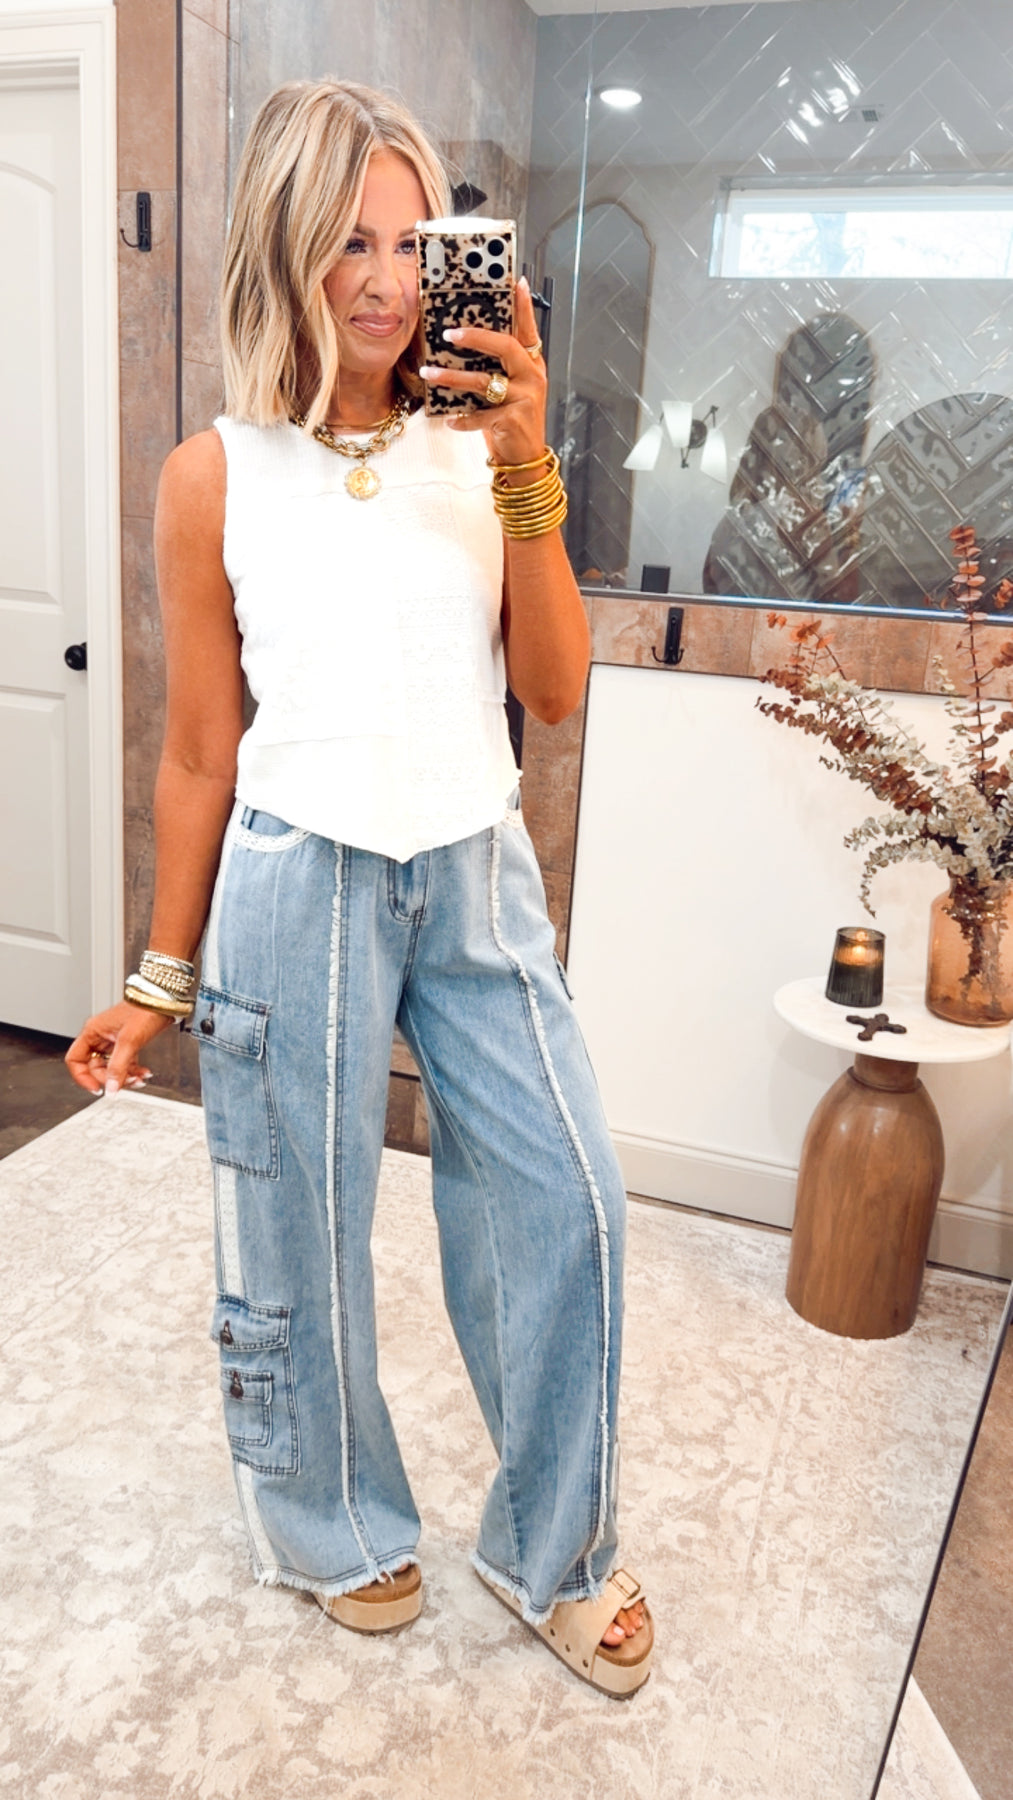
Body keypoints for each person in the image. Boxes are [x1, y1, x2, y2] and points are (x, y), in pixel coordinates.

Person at [67, 78, 652, 1697]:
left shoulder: (482, 447)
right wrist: (158, 979)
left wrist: (525, 459)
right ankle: (327, 1522)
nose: (388, 279)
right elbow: (201, 749)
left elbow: (554, 691)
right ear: (281, 247)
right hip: (294, 871)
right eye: (348, 241)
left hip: (472, 870)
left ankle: (553, 1552)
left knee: (568, 1201)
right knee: (296, 1228)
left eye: (413, 241)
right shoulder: (215, 475)